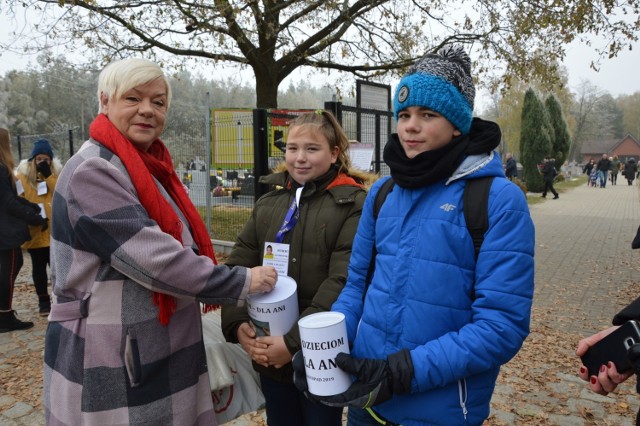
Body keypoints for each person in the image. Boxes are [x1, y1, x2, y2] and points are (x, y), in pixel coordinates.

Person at [293, 46, 535, 425]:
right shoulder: (382, 193)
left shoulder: (498, 200)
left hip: (440, 411)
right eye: (404, 114)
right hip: (366, 401)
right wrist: (324, 348)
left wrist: (404, 371)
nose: (410, 125)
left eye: (427, 114)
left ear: (457, 123)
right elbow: (357, 286)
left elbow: (501, 326)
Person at [43, 58, 278, 425]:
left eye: (158, 102)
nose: (147, 111)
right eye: (133, 99)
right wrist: (241, 282)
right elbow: (154, 258)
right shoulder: (95, 170)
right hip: (115, 351)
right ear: (105, 102)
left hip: (152, 343)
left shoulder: (148, 166)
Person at [221, 110, 373, 426]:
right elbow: (238, 265)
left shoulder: (353, 205)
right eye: (292, 148)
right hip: (269, 350)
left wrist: (291, 344)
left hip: (318, 353)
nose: (300, 158)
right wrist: (238, 326)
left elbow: (342, 280)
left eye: (312, 149)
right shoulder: (270, 204)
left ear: (334, 154)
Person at [0, 128, 49, 333]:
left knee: (10, 267)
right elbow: (9, 202)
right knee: (10, 268)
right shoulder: (2, 169)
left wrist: (29, 206)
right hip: (6, 232)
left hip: (6, 229)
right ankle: (5, 315)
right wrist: (33, 216)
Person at [15, 138, 63, 316]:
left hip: (54, 230)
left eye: (46, 159)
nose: (43, 162)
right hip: (36, 229)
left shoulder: (56, 175)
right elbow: (17, 199)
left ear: (51, 160)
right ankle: (43, 301)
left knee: (57, 268)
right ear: (33, 160)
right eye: (39, 159)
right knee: (39, 267)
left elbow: (62, 192)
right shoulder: (22, 177)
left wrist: (49, 176)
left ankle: (59, 298)